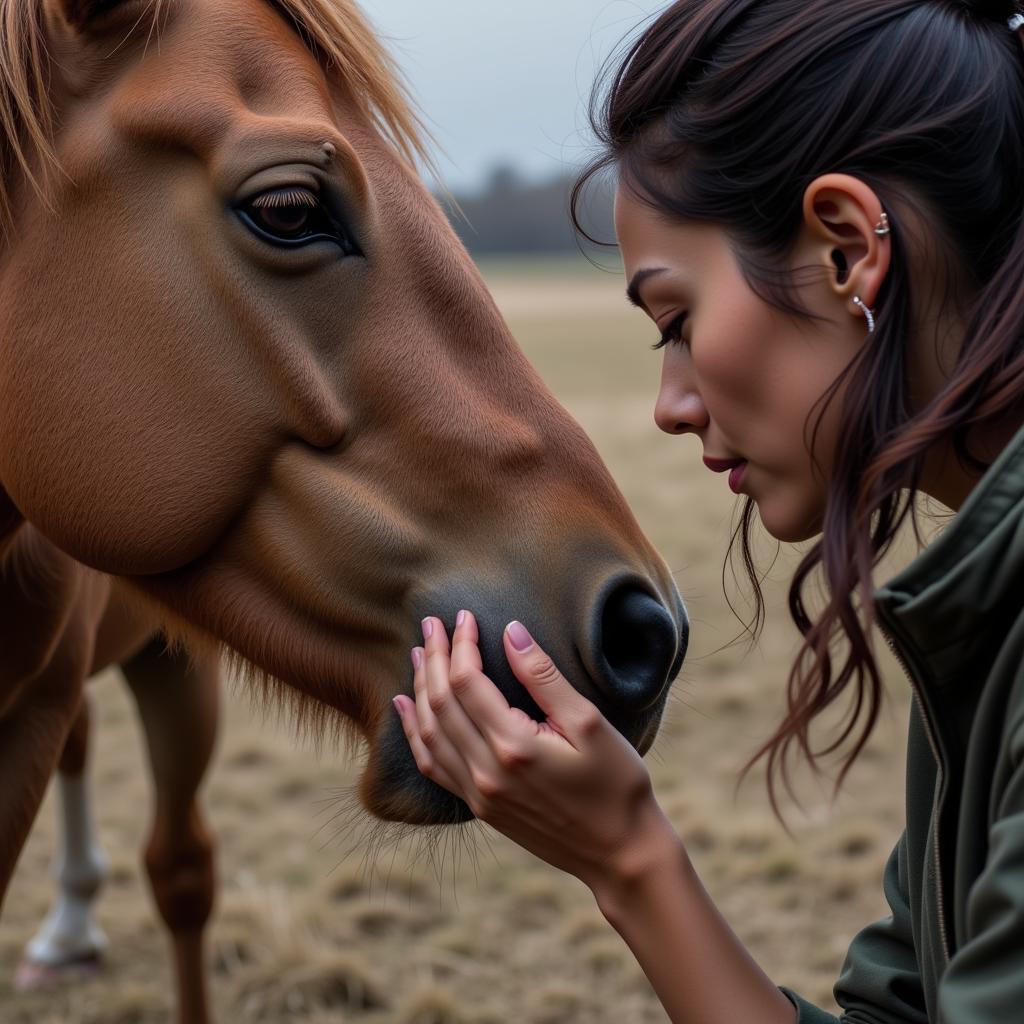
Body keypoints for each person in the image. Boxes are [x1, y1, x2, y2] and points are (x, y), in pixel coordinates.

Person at [391, 1, 1024, 1020]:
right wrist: (622, 854)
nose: (671, 405)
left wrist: (631, 860)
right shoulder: (985, 608)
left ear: (848, 249)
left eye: (677, 320)